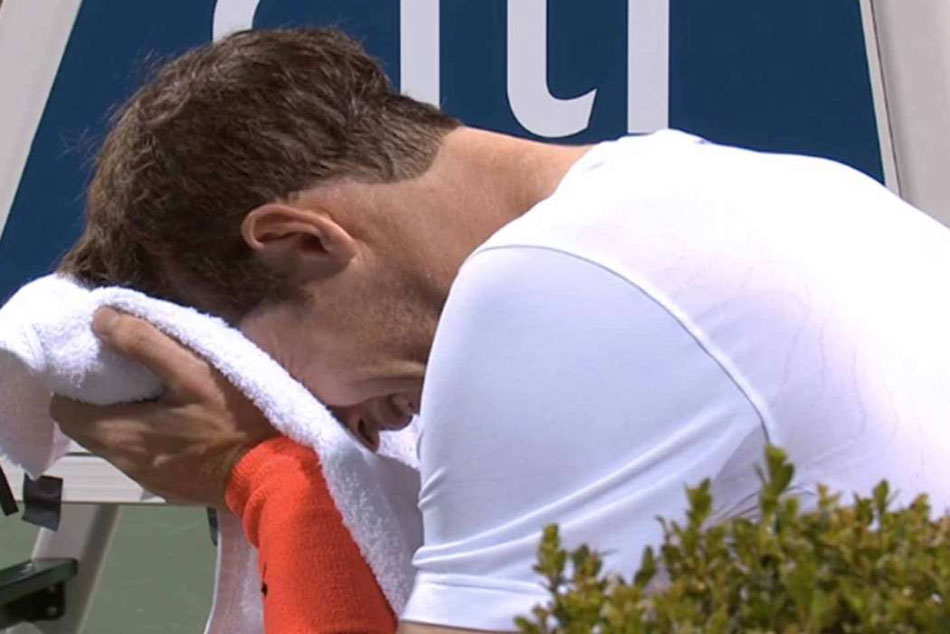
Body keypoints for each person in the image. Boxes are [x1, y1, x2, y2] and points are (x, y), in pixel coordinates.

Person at [49, 27, 950, 633]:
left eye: (276, 381)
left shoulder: (550, 288)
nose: (361, 429)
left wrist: (271, 480)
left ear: (301, 242)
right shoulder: (801, 190)